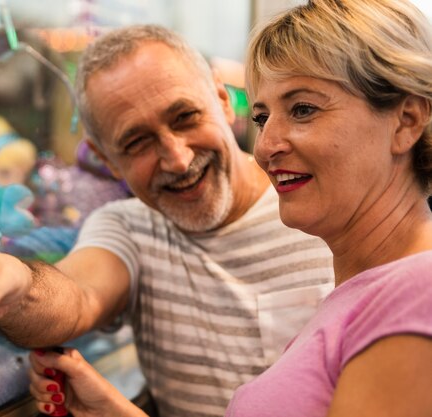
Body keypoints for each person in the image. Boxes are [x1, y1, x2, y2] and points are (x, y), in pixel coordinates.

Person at [0, 25, 334, 417]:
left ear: (221, 100)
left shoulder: (320, 206)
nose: (176, 157)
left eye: (186, 116)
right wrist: (9, 283)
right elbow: (76, 296)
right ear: (109, 163)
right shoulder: (130, 226)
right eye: (136, 143)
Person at [27, 0, 432, 416]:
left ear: (406, 120)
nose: (266, 147)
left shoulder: (416, 290)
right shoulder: (369, 286)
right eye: (262, 118)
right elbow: (77, 296)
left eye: (303, 109)